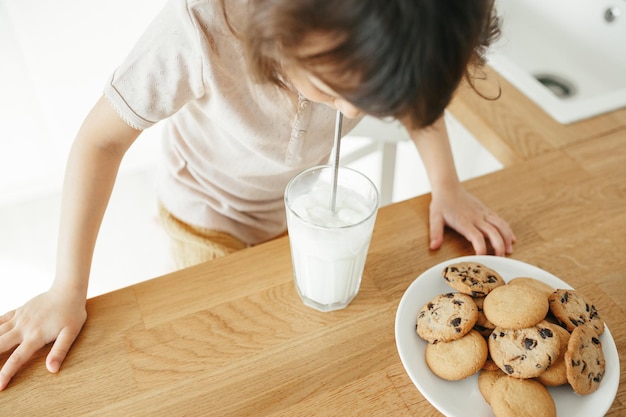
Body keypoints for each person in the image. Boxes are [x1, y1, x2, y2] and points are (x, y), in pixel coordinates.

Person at [0, 0, 515, 390]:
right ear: (284, 28)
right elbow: (99, 142)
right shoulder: (197, 32)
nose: (351, 115)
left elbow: (413, 99)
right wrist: (67, 286)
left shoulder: (381, 37)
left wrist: (447, 185)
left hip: (292, 215)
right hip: (206, 213)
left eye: (371, 102)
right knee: (235, 353)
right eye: (335, 91)